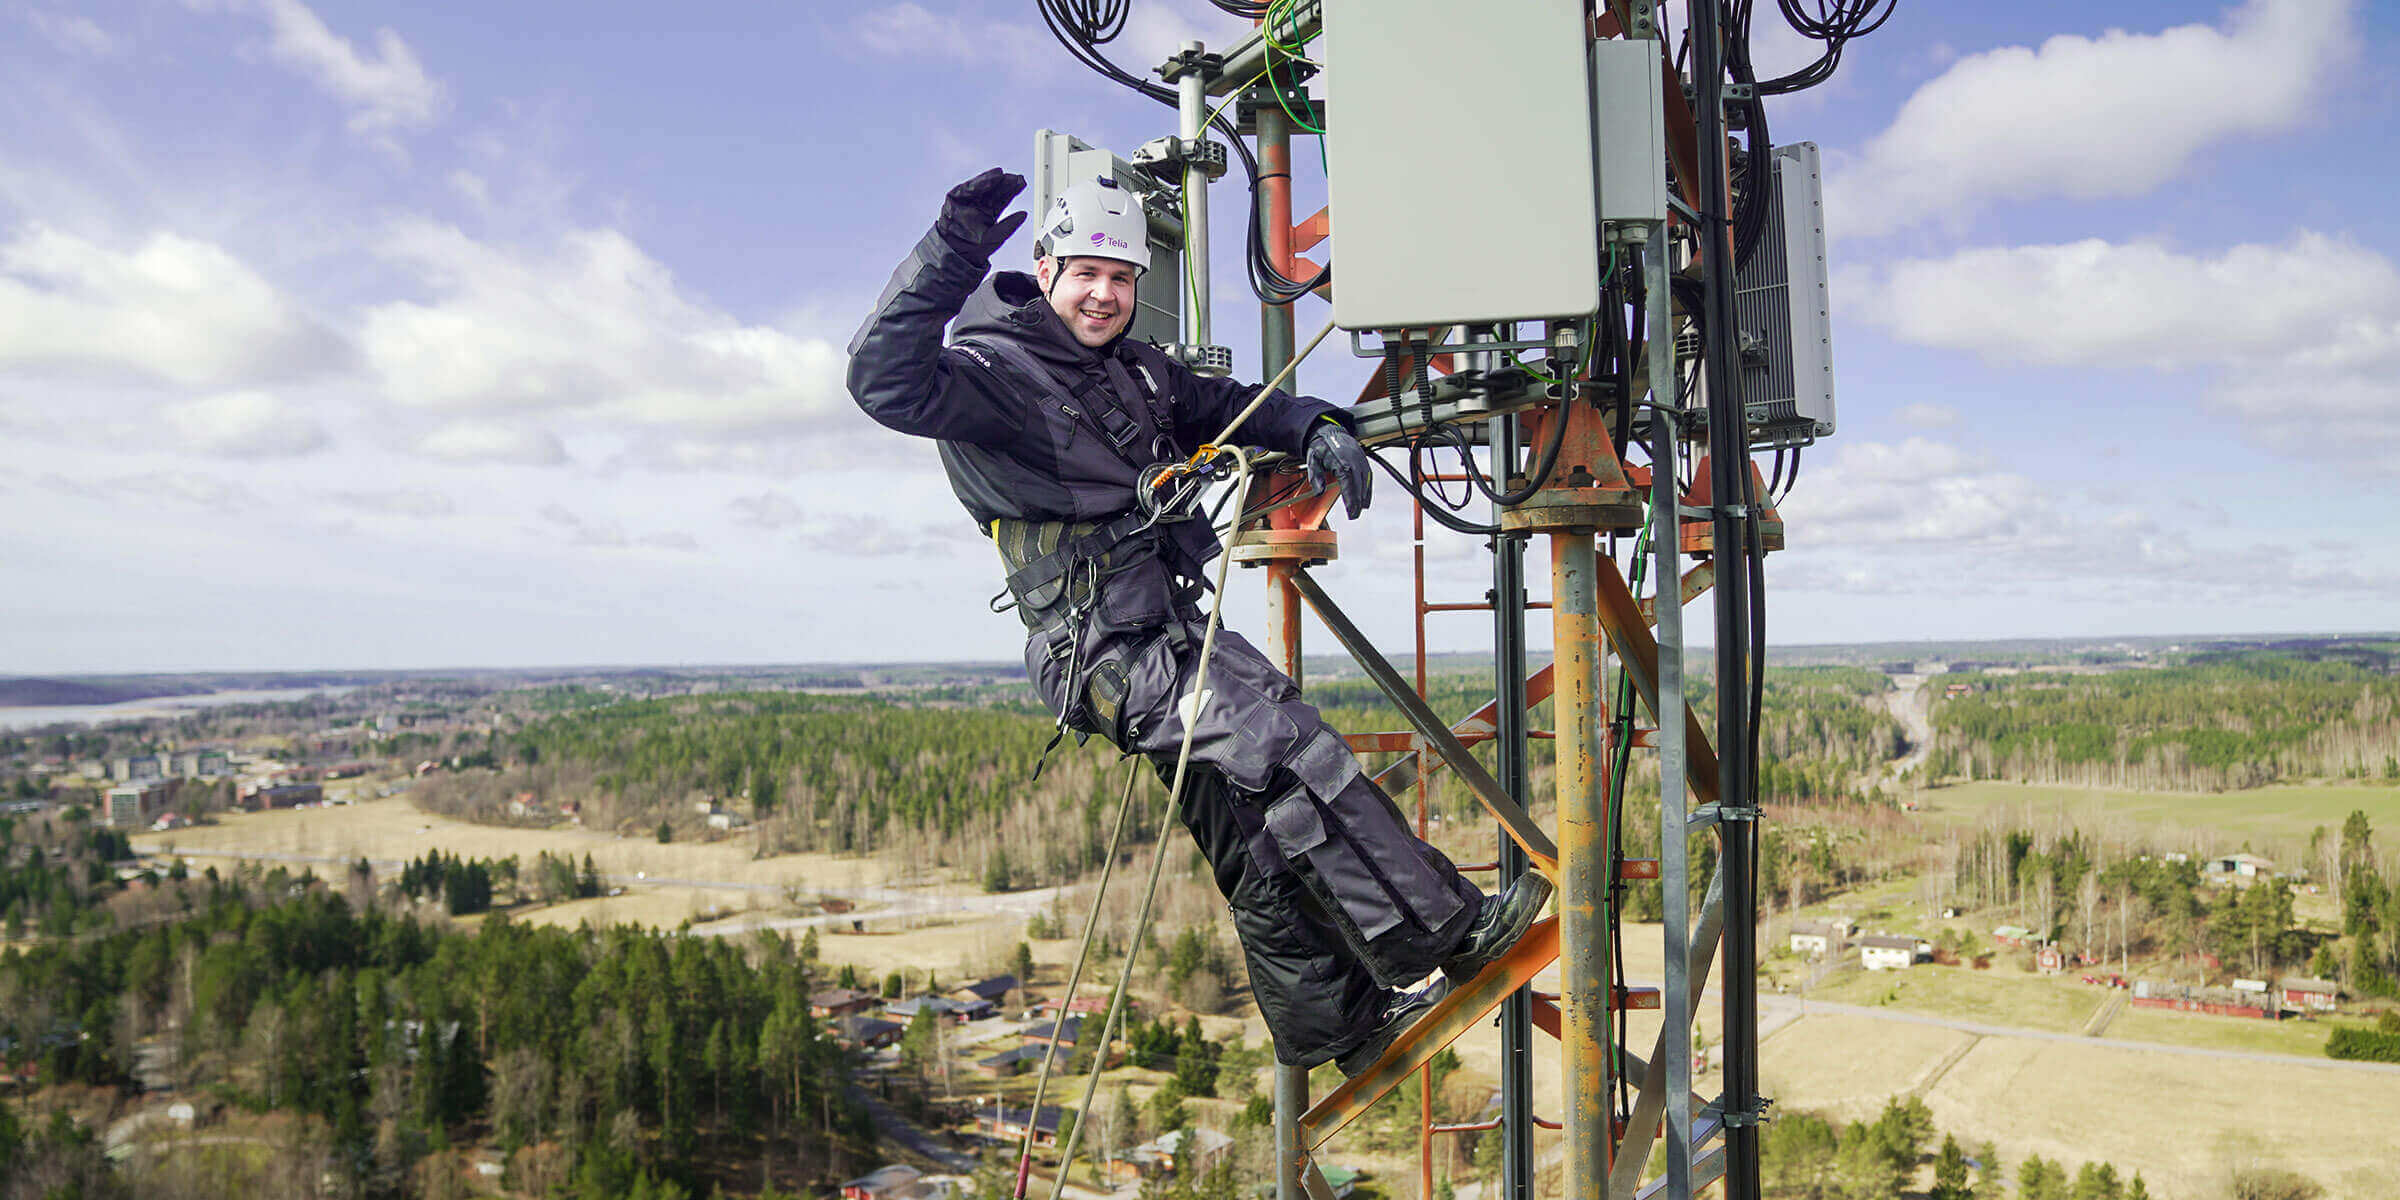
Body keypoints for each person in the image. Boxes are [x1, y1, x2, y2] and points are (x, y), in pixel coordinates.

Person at [846, 167, 1550, 1077]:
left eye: (1123, 278)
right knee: (1288, 743)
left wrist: (1311, 426)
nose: (1105, 295)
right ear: (1046, 268)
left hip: (1168, 626)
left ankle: (1334, 1026)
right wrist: (948, 252)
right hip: (1104, 649)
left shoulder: (1134, 369)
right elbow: (882, 380)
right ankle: (1446, 932)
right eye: (1087, 274)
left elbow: (1225, 407)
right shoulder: (994, 375)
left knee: (1255, 829)